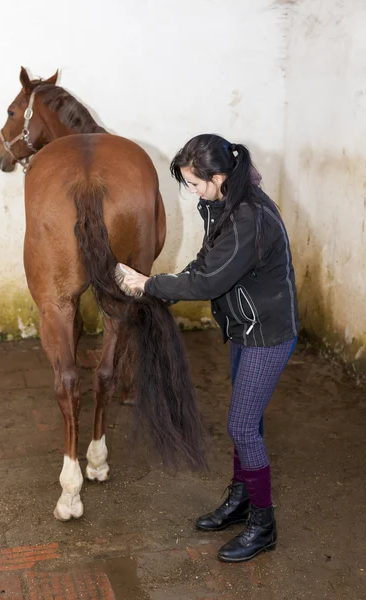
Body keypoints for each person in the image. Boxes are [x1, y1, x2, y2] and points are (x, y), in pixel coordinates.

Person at [115, 133, 299, 563]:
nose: (193, 191)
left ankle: (263, 524)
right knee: (245, 422)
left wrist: (149, 284)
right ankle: (241, 500)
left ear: (218, 176)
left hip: (268, 334)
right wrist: (160, 290)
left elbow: (210, 281)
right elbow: (205, 263)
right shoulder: (225, 204)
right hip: (245, 329)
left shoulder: (250, 216)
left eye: (196, 184)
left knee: (241, 426)